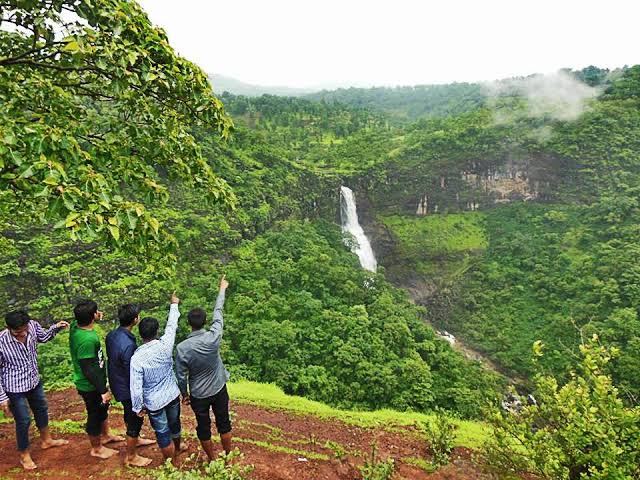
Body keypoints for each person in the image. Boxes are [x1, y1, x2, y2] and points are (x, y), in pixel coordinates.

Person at [0, 310, 69, 470]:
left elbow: (43, 337)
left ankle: (47, 440)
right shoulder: (1, 342)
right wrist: (2, 397)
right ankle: (24, 455)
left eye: (25, 329)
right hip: (14, 386)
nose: (23, 334)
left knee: (42, 409)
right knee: (23, 420)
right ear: (8, 327)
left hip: (33, 380)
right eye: (18, 332)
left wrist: (55, 328)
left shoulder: (32, 326)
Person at [176, 275, 232, 460]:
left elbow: (181, 376)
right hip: (218, 387)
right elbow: (218, 312)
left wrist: (184, 394)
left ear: (189, 324)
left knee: (203, 427)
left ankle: (212, 459)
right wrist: (222, 289)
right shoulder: (213, 337)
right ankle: (228, 456)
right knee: (224, 422)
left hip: (199, 394)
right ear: (205, 321)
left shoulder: (182, 348)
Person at [130, 292, 183, 462]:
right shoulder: (165, 346)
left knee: (162, 432)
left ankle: (170, 463)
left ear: (141, 334)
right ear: (156, 331)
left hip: (154, 402)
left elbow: (136, 387)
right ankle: (178, 449)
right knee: (175, 424)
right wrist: (174, 304)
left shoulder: (137, 358)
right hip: (172, 395)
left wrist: (138, 407)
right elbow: (172, 325)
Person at [69, 300, 124, 459]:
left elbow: (78, 318)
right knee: (94, 414)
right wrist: (103, 390)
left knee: (102, 409)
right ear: (93, 315)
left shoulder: (75, 326)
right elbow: (88, 369)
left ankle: (106, 435)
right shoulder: (87, 340)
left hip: (95, 380)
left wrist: (94, 315)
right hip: (89, 384)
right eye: (96, 311)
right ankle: (96, 448)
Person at [105, 304, 155, 467]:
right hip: (127, 386)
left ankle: (136, 440)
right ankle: (131, 456)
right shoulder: (129, 345)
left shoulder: (112, 335)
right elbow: (132, 372)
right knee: (135, 418)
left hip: (116, 381)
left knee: (129, 413)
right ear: (135, 319)